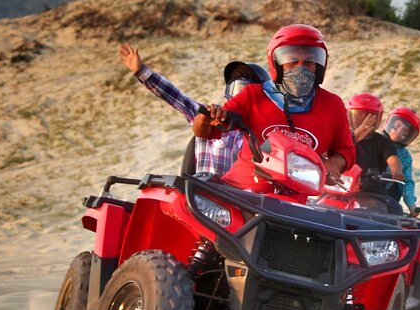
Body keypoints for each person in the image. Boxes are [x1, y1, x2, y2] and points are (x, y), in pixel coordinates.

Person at [193, 24, 355, 193]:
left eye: (308, 62)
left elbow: (346, 150)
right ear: (277, 64)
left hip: (295, 200)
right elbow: (205, 132)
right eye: (292, 61)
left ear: (319, 66)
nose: (300, 68)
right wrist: (205, 117)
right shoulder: (253, 94)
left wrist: (333, 164)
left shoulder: (332, 105)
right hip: (242, 191)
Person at [118, 43, 270, 177]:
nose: (242, 96)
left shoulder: (267, 133)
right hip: (206, 200)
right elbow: (175, 96)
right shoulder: (210, 116)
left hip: (247, 203)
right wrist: (142, 72)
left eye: (247, 90)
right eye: (238, 88)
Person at [346, 93, 404, 214]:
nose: (363, 121)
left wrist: (396, 170)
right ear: (350, 117)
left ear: (377, 119)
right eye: (358, 116)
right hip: (340, 189)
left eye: (369, 116)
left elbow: (392, 158)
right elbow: (329, 152)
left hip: (371, 192)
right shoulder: (343, 138)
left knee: (396, 210)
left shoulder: (383, 142)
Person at [382, 107, 420, 216]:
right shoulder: (374, 140)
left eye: (404, 132)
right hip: (361, 189)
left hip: (384, 196)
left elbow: (407, 182)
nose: (399, 132)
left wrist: (411, 204)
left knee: (396, 210)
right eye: (397, 126)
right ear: (389, 123)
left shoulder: (404, 156)